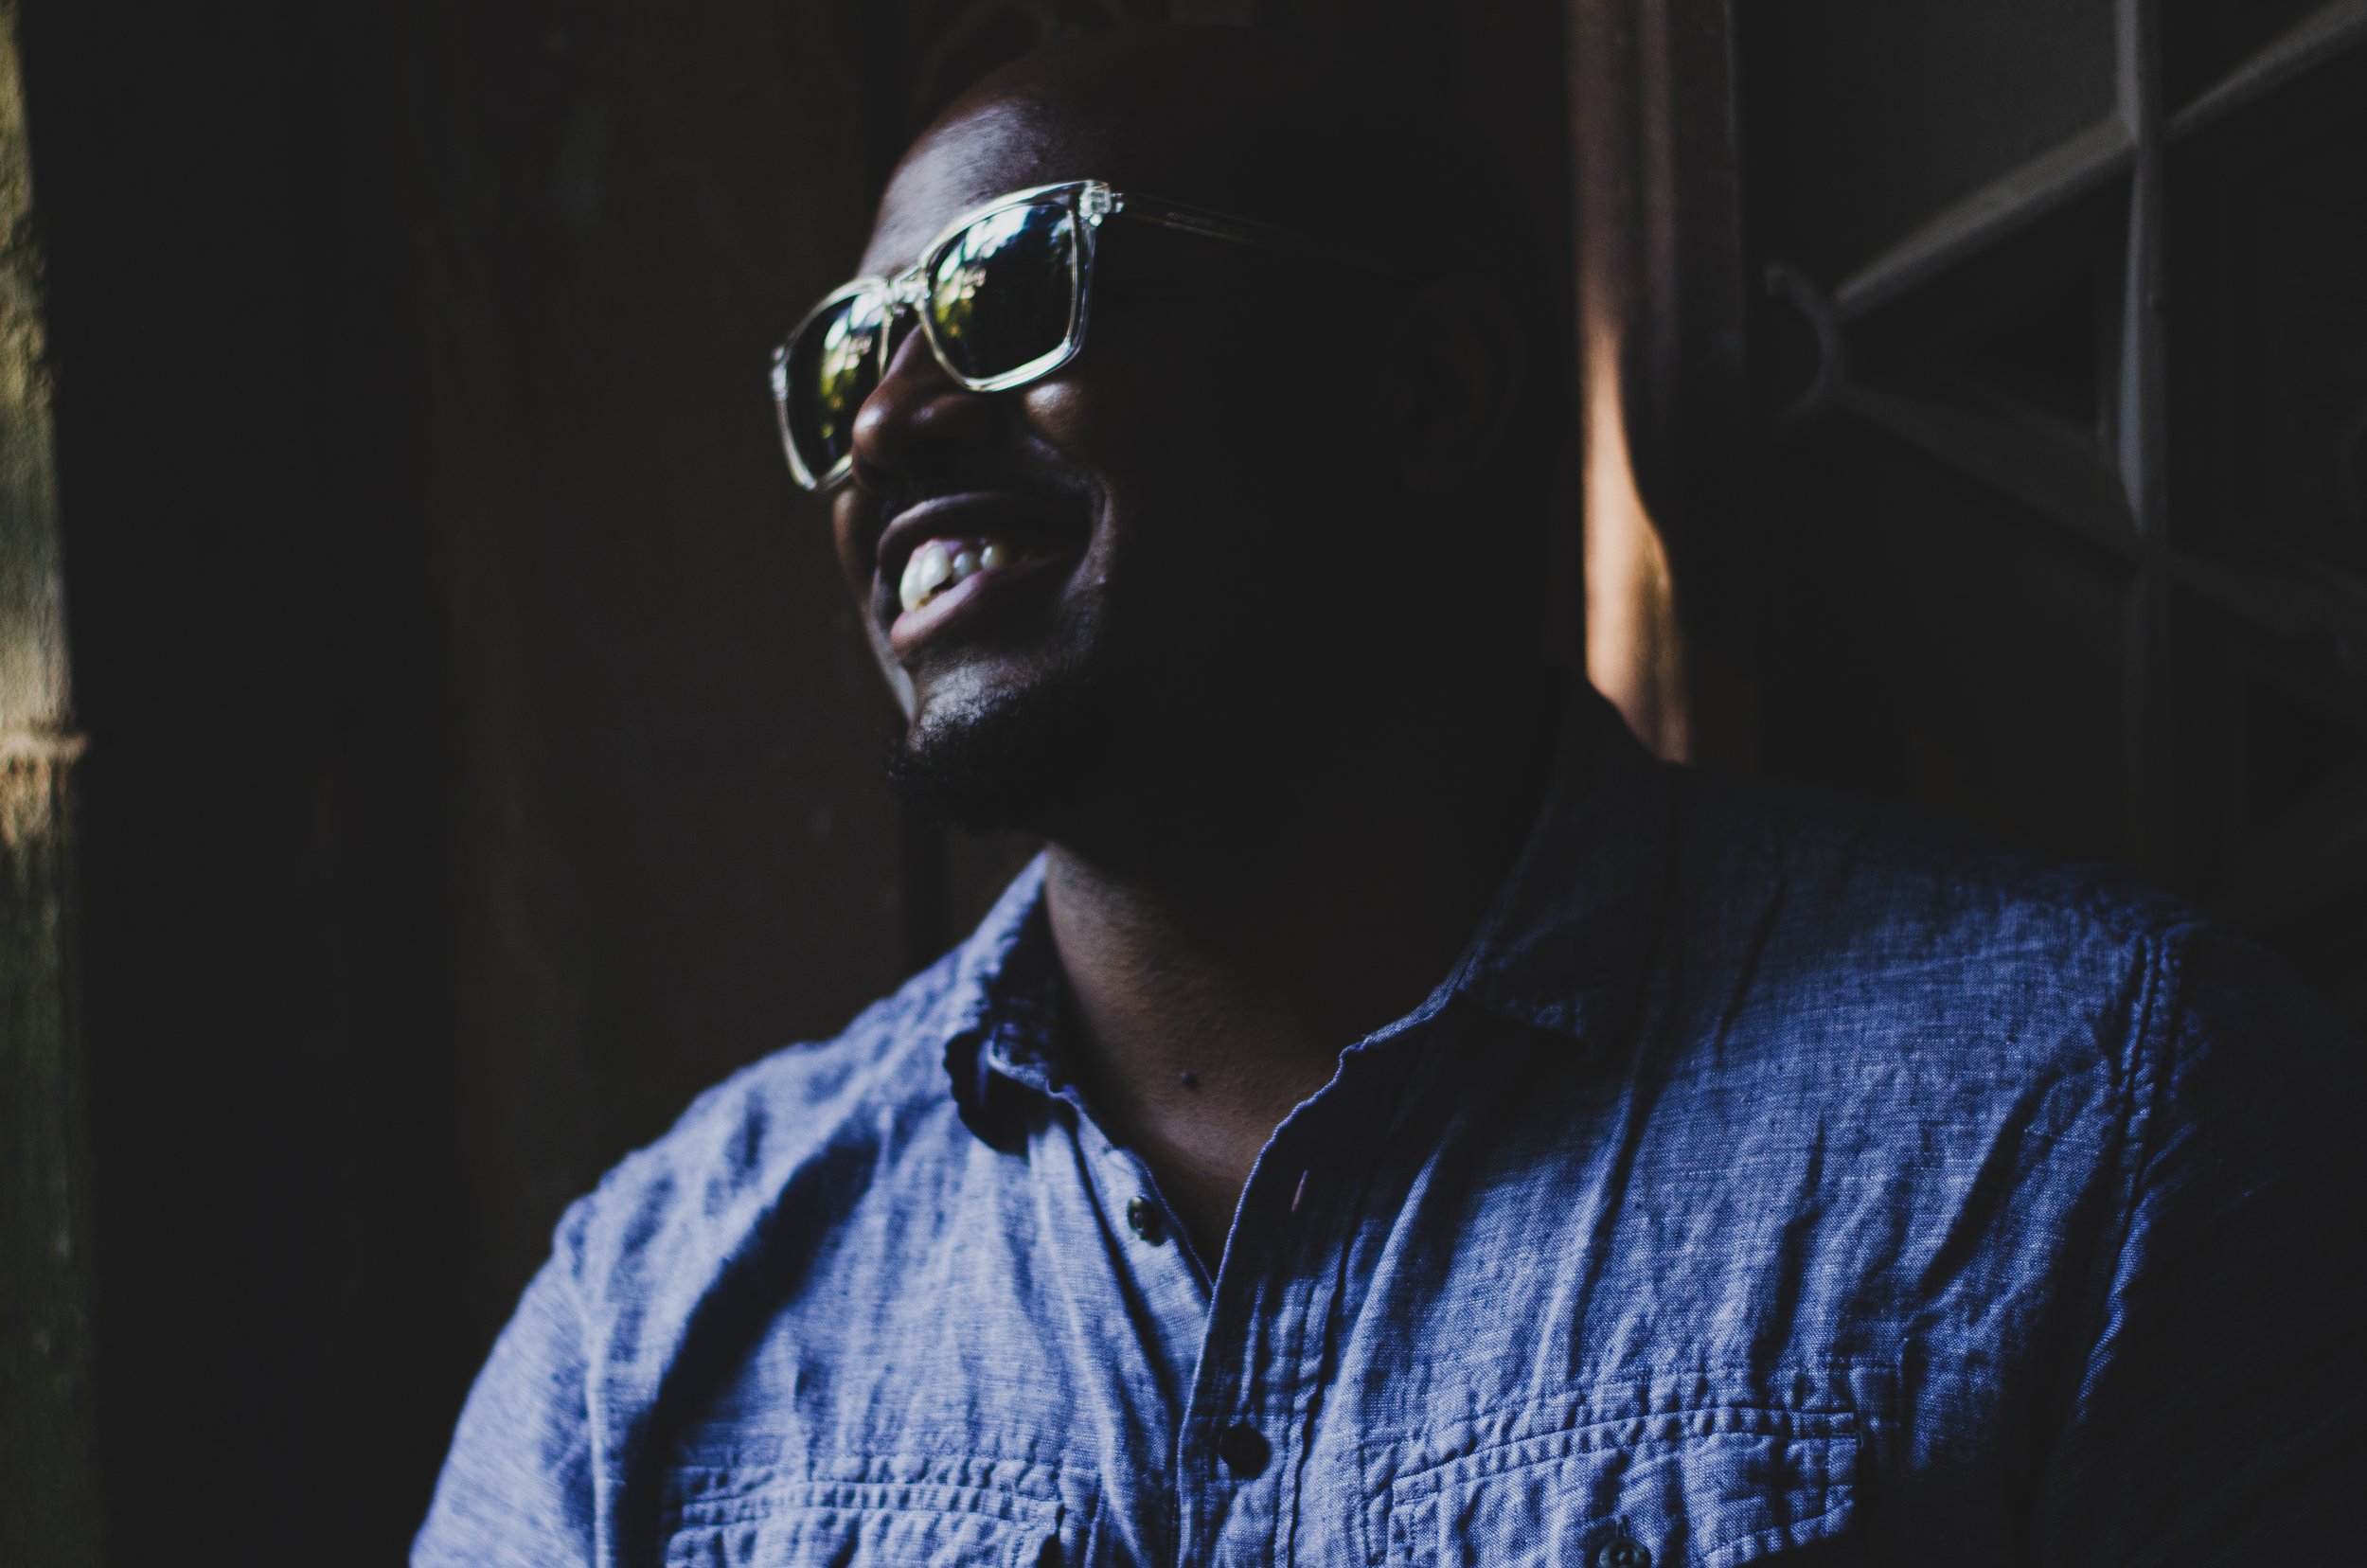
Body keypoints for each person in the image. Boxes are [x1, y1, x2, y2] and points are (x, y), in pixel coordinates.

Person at [415, 25, 2363, 1567]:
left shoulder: (2089, 1133)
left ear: (1419, 393)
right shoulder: (654, 1318)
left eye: (1015, 291)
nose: (892, 429)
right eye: (848, 366)